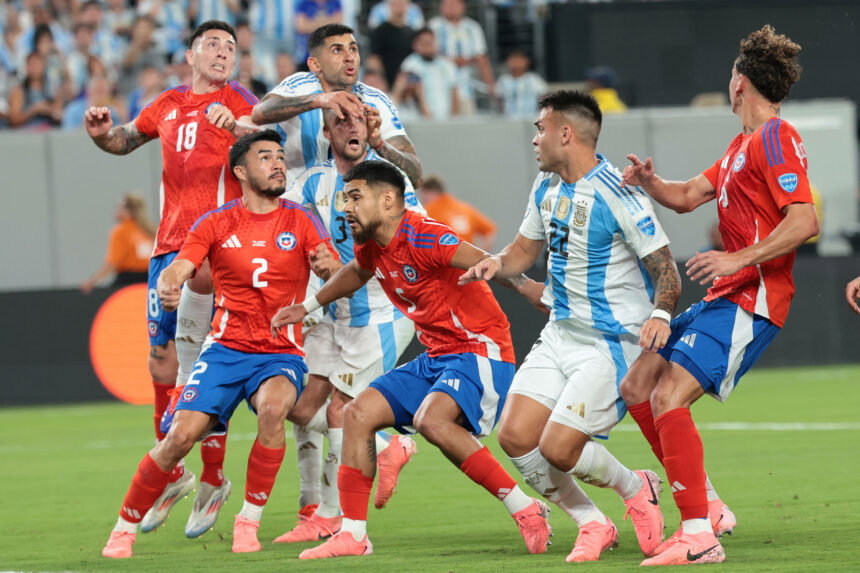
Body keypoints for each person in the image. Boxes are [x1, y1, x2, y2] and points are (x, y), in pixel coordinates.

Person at [271, 160, 551, 560]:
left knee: (431, 420)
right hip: (437, 355)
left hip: (479, 348)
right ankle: (353, 535)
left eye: (355, 197)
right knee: (356, 414)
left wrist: (526, 285)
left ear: (388, 200)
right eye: (344, 198)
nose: (345, 207)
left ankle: (525, 507)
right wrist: (309, 305)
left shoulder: (424, 235)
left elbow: (484, 260)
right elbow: (356, 271)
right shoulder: (371, 244)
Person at [617, 25, 818, 565]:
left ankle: (698, 534)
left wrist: (737, 258)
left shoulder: (775, 137)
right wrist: (649, 183)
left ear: (740, 84)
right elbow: (685, 197)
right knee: (638, 384)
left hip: (753, 298)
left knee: (667, 396)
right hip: (728, 294)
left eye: (732, 72)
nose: (728, 79)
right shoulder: (740, 147)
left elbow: (804, 220)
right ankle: (703, 503)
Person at [460, 90, 675, 563]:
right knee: (514, 436)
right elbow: (522, 253)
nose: (534, 138)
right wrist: (494, 264)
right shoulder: (546, 189)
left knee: (558, 448)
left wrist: (660, 314)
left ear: (565, 133)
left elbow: (666, 269)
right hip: (560, 332)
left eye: (540, 128)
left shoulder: (618, 192)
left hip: (609, 343)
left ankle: (637, 487)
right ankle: (592, 522)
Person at [101, 130, 337, 559]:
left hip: (279, 351)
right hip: (225, 350)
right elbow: (182, 265)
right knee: (178, 437)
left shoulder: (301, 219)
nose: (279, 163)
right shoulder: (215, 221)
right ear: (241, 172)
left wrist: (328, 264)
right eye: (266, 157)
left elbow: (331, 264)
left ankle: (248, 521)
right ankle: (123, 528)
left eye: (281, 156)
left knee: (272, 409)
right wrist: (171, 284)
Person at [84, 20, 258, 540]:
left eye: (230, 46)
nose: (223, 52)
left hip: (220, 249)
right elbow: (124, 140)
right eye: (213, 44)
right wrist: (100, 136)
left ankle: (212, 479)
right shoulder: (166, 104)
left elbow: (266, 138)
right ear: (190, 54)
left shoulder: (239, 99)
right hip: (168, 248)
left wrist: (239, 126)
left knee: (209, 367)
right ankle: (174, 472)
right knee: (160, 361)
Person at [274, 108, 422, 543]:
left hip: (379, 311)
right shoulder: (314, 182)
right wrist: (312, 259)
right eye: (342, 122)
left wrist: (341, 265)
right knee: (300, 408)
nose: (352, 128)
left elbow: (409, 235)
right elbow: (294, 233)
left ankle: (331, 515)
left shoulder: (390, 179)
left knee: (341, 410)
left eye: (359, 121)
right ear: (327, 132)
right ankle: (387, 446)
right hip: (334, 310)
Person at [252, 23, 423, 187]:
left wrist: (379, 144)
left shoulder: (377, 100)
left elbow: (416, 176)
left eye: (353, 49)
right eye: (337, 50)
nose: (350, 57)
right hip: (299, 207)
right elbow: (259, 113)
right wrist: (319, 100)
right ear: (315, 64)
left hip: (353, 210)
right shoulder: (299, 86)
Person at [428, 0, 494, 115]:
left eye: (454, 4)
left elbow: (481, 56)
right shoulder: (434, 26)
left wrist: (490, 84)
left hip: (465, 87)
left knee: (467, 125)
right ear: (441, 7)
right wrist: (451, 61)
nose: (450, 8)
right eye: (447, 5)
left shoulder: (472, 27)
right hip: (439, 87)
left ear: (462, 7)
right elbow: (427, 51)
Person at [81, 193, 155, 293]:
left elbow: (113, 262)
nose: (115, 211)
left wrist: (93, 280)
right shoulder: (150, 230)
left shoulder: (120, 231)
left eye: (119, 207)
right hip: (150, 279)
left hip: (128, 279)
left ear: (128, 211)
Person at [394, 27, 459, 120]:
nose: (428, 46)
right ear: (415, 45)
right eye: (424, 43)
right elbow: (402, 94)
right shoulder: (409, 65)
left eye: (430, 42)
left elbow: (454, 93)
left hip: (446, 116)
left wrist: (454, 118)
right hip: (419, 118)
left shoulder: (447, 64)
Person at [418, 175, 494, 250]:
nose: (423, 200)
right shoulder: (466, 209)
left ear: (430, 192)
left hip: (445, 259)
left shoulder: (428, 211)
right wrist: (481, 257)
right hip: (468, 259)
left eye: (423, 196)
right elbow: (490, 231)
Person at [368, 0, 417, 90]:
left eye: (402, 3)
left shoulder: (412, 33)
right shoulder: (379, 31)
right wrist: (381, 81)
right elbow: (374, 59)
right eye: (396, 3)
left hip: (406, 87)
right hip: (385, 84)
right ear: (390, 6)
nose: (399, 6)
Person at [496, 50, 546, 118]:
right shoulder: (503, 80)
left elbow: (543, 97)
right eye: (513, 61)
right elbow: (500, 100)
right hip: (509, 118)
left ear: (526, 62)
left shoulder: (534, 79)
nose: (516, 63)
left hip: (532, 117)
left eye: (519, 61)